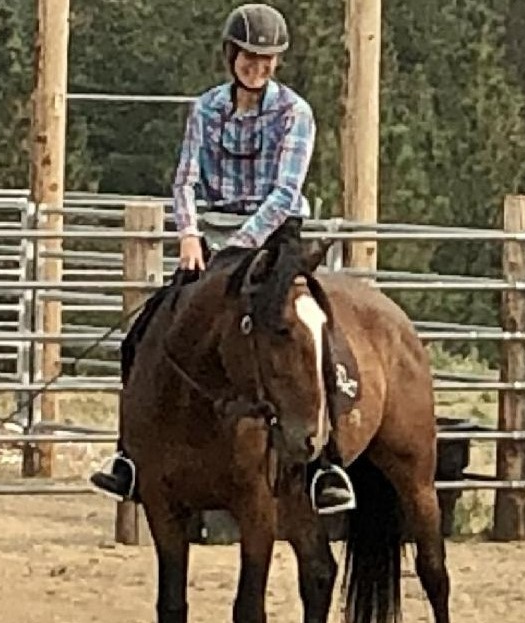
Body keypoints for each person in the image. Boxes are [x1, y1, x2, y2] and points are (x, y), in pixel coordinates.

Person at [89, 2, 357, 515]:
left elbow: (284, 193)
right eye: (249, 57)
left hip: (274, 234)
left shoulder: (295, 113)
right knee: (145, 332)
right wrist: (189, 233)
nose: (257, 66)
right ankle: (130, 456)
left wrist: (243, 245)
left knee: (314, 332)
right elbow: (185, 178)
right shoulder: (206, 108)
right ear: (231, 55)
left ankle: (330, 463)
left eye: (266, 59)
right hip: (210, 233)